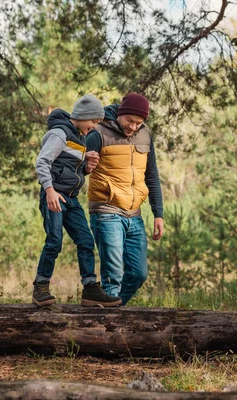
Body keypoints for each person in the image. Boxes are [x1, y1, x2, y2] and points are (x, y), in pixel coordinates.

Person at [33, 94, 122, 307]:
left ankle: (90, 289)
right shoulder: (60, 133)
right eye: (93, 121)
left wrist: (86, 168)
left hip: (71, 199)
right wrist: (50, 190)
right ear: (83, 116)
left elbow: (69, 168)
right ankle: (41, 286)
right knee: (54, 241)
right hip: (54, 196)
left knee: (85, 240)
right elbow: (42, 162)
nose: (95, 126)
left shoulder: (79, 138)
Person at [86, 92, 164, 305]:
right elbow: (77, 164)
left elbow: (152, 175)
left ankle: (108, 313)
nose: (133, 127)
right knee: (113, 278)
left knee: (138, 274)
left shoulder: (145, 135)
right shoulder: (99, 133)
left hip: (134, 214)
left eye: (138, 123)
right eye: (130, 121)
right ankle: (108, 328)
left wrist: (159, 214)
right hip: (106, 211)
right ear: (121, 113)